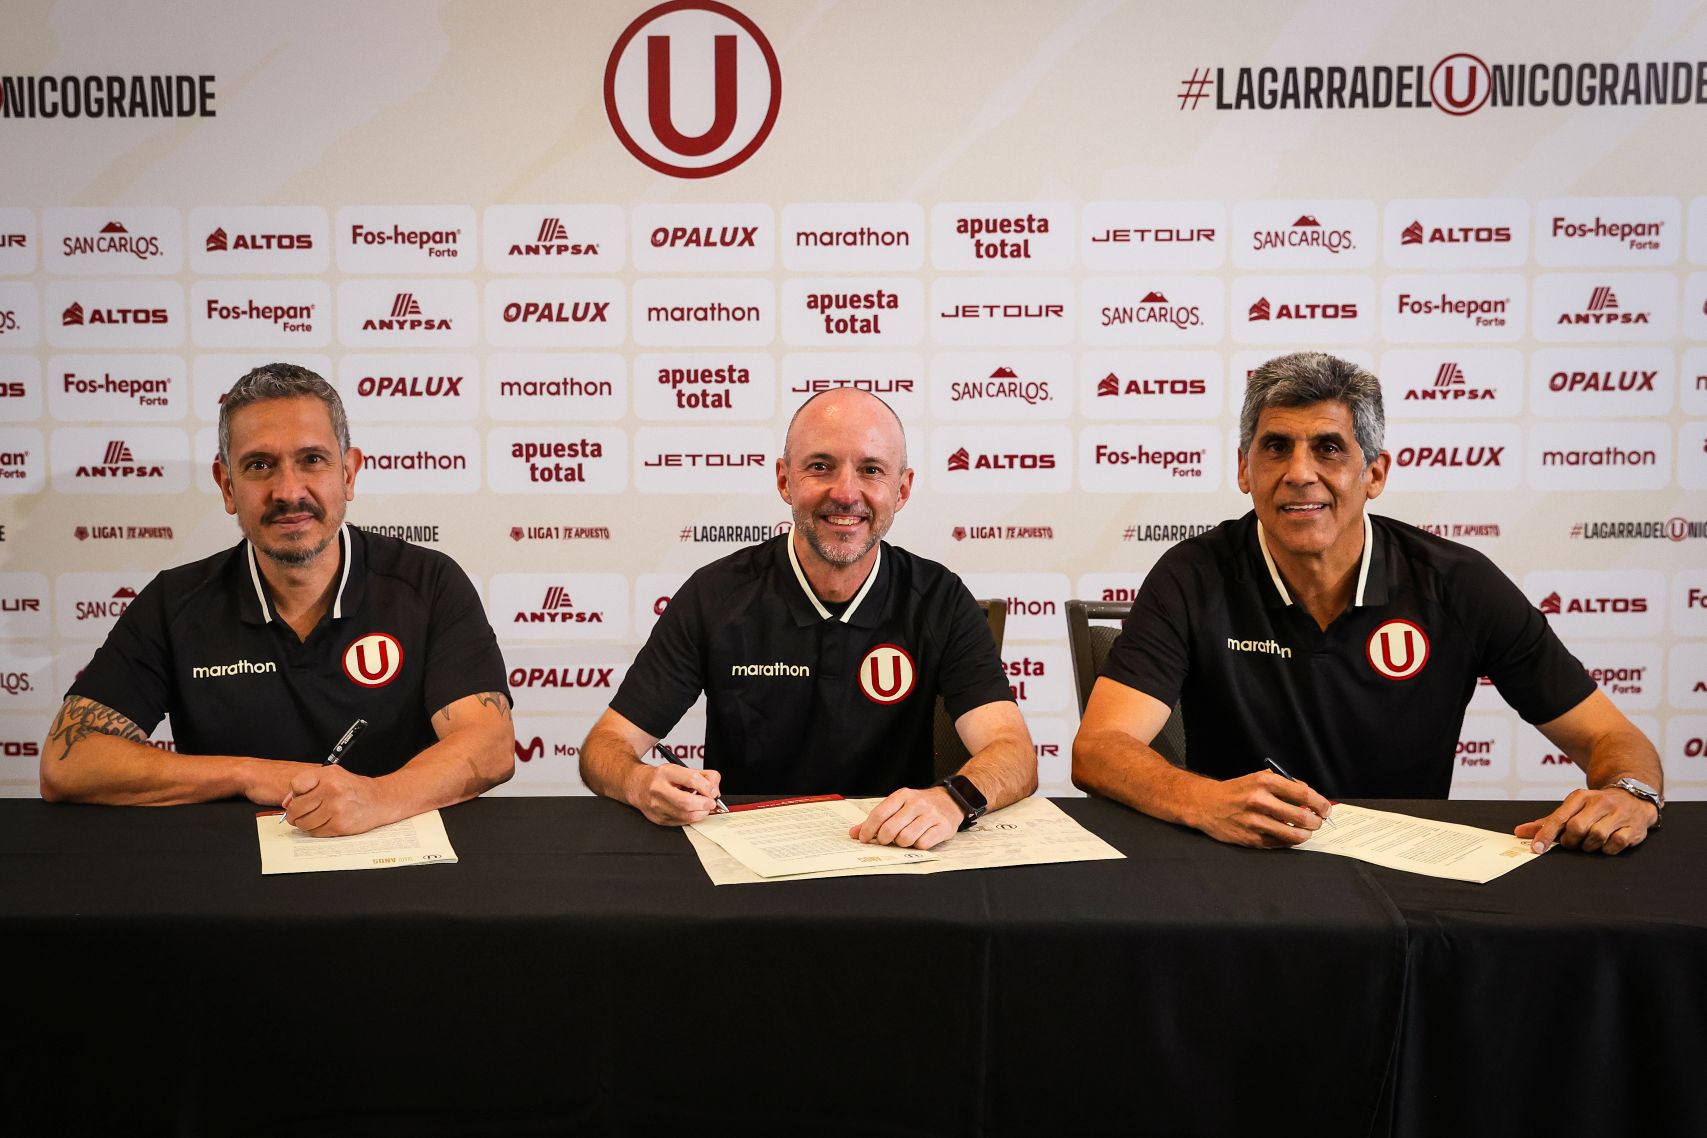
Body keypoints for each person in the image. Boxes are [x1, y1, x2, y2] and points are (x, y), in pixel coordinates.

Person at [1072, 352, 1663, 856]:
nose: (1299, 473)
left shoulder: (1457, 583)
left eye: (1328, 448)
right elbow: (1099, 749)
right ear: (1245, 470)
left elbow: (1610, 737)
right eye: (1276, 447)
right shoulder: (1191, 574)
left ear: (1374, 473)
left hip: (1408, 878)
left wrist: (1630, 793)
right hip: (1239, 867)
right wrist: (1204, 800)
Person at [39, 363, 514, 836]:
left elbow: (489, 745)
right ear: (228, 486)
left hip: (400, 860)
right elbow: (68, 762)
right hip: (230, 868)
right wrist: (252, 774)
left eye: (312, 459)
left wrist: (374, 798)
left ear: (348, 473)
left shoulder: (429, 583)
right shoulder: (174, 602)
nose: (288, 491)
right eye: (259, 465)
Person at [580, 388, 1035, 849]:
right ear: (785, 481)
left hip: (894, 852)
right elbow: (605, 746)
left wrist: (954, 799)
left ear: (901, 490)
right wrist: (641, 782)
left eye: (871, 470)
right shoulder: (715, 594)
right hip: (750, 856)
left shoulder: (940, 598)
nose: (846, 493)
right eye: (820, 466)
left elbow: (1014, 752)